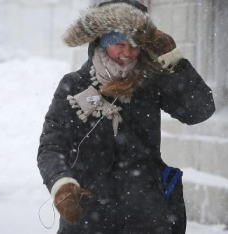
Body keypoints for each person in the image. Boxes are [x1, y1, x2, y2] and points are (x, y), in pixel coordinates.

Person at [37, 1, 215, 233]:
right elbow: (52, 145)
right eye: (119, 44)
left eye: (134, 45)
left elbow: (199, 110)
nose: (128, 53)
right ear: (102, 42)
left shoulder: (151, 82)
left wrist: (173, 59)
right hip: (88, 215)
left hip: (145, 214)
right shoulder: (74, 85)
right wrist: (61, 184)